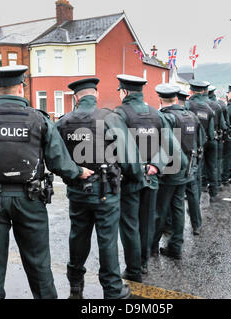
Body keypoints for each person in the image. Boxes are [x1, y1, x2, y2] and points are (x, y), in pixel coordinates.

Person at [0, 65, 94, 299]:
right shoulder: (39, 120)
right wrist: (78, 172)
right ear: (21, 88)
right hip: (31, 201)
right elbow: (59, 162)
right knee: (40, 266)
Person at [56, 77, 144, 299]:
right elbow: (130, 158)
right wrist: (135, 177)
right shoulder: (109, 118)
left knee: (78, 235)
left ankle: (75, 283)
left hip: (77, 190)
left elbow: (54, 158)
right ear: (95, 95)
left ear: (76, 98)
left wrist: (74, 171)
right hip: (106, 191)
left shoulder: (64, 121)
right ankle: (112, 290)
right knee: (107, 239)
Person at [113, 74, 170, 281]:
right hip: (152, 178)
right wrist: (155, 165)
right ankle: (144, 263)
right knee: (146, 223)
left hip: (130, 180)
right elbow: (169, 146)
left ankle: (134, 269)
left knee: (129, 225)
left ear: (125, 92)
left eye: (120, 91)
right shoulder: (156, 114)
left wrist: (138, 170)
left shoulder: (119, 114)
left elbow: (120, 149)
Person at [152, 83, 203, 260]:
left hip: (169, 170)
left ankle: (152, 246)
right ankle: (176, 246)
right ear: (176, 98)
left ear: (160, 99)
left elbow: (160, 146)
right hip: (187, 169)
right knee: (178, 207)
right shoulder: (191, 116)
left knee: (160, 210)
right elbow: (200, 142)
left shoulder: (165, 117)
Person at [185, 80, 218, 202]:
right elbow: (210, 132)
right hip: (205, 142)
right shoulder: (208, 108)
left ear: (191, 91)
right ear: (203, 91)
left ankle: (194, 199)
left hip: (191, 143)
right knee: (210, 167)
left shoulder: (188, 105)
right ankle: (214, 192)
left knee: (193, 172)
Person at [180, 89, 206, 235]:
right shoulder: (193, 118)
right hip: (192, 161)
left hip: (175, 164)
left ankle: (170, 227)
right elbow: (202, 139)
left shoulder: (168, 116)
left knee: (174, 198)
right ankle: (197, 225)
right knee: (193, 193)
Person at [208, 86, 228, 192]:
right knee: (217, 163)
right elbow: (224, 124)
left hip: (205, 139)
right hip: (217, 137)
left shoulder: (199, 105)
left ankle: (205, 186)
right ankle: (217, 184)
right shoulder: (220, 105)